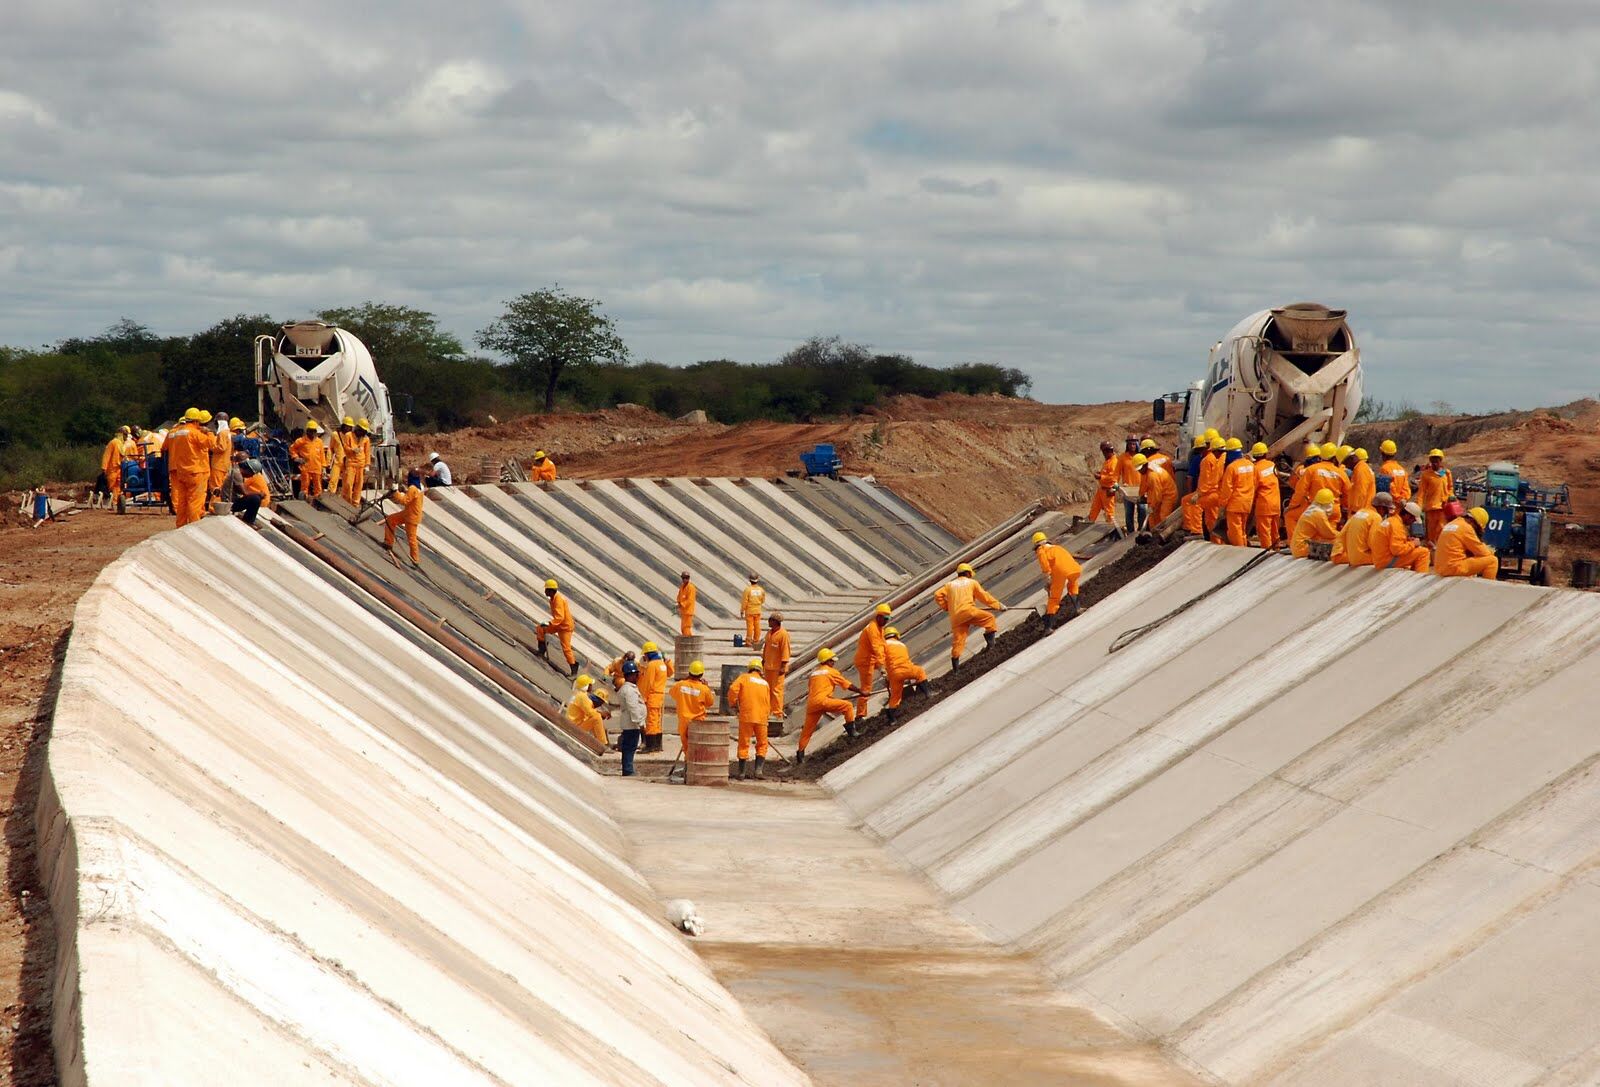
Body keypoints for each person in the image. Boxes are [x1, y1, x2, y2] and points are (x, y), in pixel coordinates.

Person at [933, 562, 1002, 670]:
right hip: (968, 611)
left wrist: (947, 607)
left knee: (958, 641)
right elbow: (984, 596)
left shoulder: (949, 585)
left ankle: (956, 668)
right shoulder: (971, 582)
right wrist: (998, 605)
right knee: (990, 618)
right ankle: (991, 646)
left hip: (956, 617)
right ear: (968, 573)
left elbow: (937, 595)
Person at [798, 648, 858, 764]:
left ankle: (800, 755)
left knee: (807, 731)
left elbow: (815, 690)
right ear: (827, 661)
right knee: (848, 706)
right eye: (832, 661)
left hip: (812, 704)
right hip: (823, 701)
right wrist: (861, 691)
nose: (834, 663)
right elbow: (847, 685)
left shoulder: (814, 673)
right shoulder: (831, 672)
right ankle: (852, 732)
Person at [163, 408, 215, 527]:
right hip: (196, 471)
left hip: (182, 471)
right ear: (197, 421)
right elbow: (212, 444)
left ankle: (180, 525)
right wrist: (209, 432)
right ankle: (194, 526)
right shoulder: (195, 433)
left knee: (182, 502)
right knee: (195, 502)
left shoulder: (176, 432)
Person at [726, 658, 773, 779]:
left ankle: (741, 773)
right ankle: (758, 771)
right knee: (762, 743)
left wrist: (733, 703)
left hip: (746, 716)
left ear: (750, 669)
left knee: (744, 743)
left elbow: (732, 689)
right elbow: (768, 702)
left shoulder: (744, 678)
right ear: (760, 671)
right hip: (762, 717)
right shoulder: (765, 683)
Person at [667, 660, 716, 759]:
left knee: (687, 747)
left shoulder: (680, 685)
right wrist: (706, 686)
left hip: (683, 722)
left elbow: (672, 693)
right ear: (701, 674)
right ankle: (694, 767)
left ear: (689, 673)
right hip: (698, 722)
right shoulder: (704, 689)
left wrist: (685, 681)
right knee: (697, 747)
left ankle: (688, 767)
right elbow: (710, 703)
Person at [1032, 531, 1081, 626]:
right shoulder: (1057, 547)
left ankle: (1048, 627)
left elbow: (1045, 565)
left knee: (1054, 597)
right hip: (1074, 568)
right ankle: (1078, 608)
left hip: (1060, 571)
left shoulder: (1041, 550)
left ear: (1036, 544)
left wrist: (1048, 579)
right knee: (1073, 584)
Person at [1215, 440, 1258, 547]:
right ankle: (1244, 549)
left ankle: (1240, 552)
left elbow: (1227, 490)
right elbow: (1255, 482)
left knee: (1235, 531)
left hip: (1234, 505)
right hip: (1247, 503)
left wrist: (1222, 506)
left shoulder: (1232, 468)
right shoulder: (1251, 465)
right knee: (1242, 530)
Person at [1437, 506, 1498, 579]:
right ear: (1476, 523)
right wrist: (1491, 550)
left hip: (1440, 568)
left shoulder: (1453, 523)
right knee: (1492, 560)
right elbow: (1483, 552)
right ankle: (1487, 588)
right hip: (1453, 568)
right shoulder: (1467, 528)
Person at [1372, 501, 1432, 573]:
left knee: (1416, 552)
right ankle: (1420, 580)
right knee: (1423, 552)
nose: (1412, 522)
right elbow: (1397, 550)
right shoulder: (1397, 526)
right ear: (1407, 515)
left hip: (1380, 559)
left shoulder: (1392, 520)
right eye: (1413, 519)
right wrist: (1413, 544)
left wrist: (1407, 541)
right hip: (1386, 561)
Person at [853, 603, 891, 717]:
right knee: (866, 688)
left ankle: (894, 694)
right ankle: (860, 715)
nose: (886, 621)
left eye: (887, 619)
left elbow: (883, 646)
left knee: (890, 669)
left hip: (872, 658)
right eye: (885, 619)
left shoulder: (880, 628)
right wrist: (882, 667)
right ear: (878, 616)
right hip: (865, 661)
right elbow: (876, 648)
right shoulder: (872, 629)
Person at [535, 578, 579, 676]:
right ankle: (541, 651)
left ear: (551, 590)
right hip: (558, 625)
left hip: (565, 627)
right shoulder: (554, 598)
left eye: (546, 589)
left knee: (566, 648)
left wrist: (550, 623)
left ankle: (574, 667)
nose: (545, 591)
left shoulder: (558, 600)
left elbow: (560, 617)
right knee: (540, 628)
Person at [881, 627, 926, 721]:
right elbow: (906, 661)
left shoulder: (883, 647)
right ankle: (928, 693)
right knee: (920, 672)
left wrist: (887, 678)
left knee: (895, 696)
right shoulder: (901, 645)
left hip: (894, 674)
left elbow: (883, 664)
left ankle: (892, 719)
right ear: (896, 635)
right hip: (906, 669)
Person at [1333, 491, 1385, 566]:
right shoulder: (1376, 517)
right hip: (1361, 558)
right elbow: (1372, 542)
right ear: (1381, 508)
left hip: (1345, 556)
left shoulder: (1359, 512)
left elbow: (1343, 533)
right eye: (1386, 510)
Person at [639, 641, 673, 752]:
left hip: (653, 696)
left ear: (648, 654)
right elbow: (670, 673)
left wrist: (643, 697)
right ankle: (658, 745)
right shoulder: (661, 664)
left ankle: (650, 746)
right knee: (658, 721)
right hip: (660, 695)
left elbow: (648, 683)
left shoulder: (652, 665)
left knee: (651, 721)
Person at [382, 480, 426, 565]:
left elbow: (404, 501)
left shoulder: (413, 489)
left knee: (411, 538)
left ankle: (415, 559)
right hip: (408, 513)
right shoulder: (418, 487)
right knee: (390, 520)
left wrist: (396, 492)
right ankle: (388, 542)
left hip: (411, 517)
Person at [1249, 443, 1283, 552]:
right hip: (1276, 503)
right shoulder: (1271, 465)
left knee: (1264, 531)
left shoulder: (1255, 469)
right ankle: (1276, 549)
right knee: (1274, 530)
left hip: (1264, 504)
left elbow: (1253, 487)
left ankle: (1267, 551)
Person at [615, 661, 646, 776]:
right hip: (632, 723)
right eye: (636, 674)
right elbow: (633, 707)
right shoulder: (629, 690)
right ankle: (628, 770)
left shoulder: (628, 688)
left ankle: (628, 769)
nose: (637, 676)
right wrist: (640, 722)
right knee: (630, 747)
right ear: (631, 675)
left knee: (629, 746)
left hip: (630, 722)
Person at [1417, 449, 1454, 544]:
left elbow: (1450, 487)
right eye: (1432, 461)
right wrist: (1418, 508)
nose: (1434, 464)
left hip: (1443, 508)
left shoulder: (1446, 473)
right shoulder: (1426, 475)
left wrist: (1450, 496)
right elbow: (1421, 492)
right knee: (1431, 535)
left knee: (1442, 531)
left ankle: (1440, 552)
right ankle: (1431, 555)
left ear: (1440, 461)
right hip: (1431, 509)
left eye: (1436, 461)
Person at [1290, 488, 1339, 558]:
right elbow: (1329, 534)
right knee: (1337, 541)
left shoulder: (1312, 509)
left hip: (1298, 547)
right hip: (1303, 548)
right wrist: (1344, 535)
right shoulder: (1318, 514)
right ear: (1328, 503)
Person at [761, 613, 791, 722]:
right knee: (767, 690)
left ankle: (777, 712)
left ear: (775, 622)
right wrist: (763, 659)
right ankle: (767, 711)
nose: (769, 622)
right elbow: (766, 648)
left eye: (770, 620)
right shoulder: (769, 633)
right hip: (768, 666)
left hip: (777, 668)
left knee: (776, 690)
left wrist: (783, 666)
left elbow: (785, 650)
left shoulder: (783, 634)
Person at [567, 675, 610, 748]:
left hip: (573, 724)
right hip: (575, 727)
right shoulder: (582, 697)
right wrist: (601, 714)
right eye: (590, 685)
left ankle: (599, 741)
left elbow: (588, 710)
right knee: (596, 717)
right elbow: (591, 713)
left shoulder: (579, 695)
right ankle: (603, 744)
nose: (591, 687)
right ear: (586, 686)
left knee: (596, 717)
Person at [1197, 436, 1227, 536]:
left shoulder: (1210, 460)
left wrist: (1199, 493)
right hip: (1225, 494)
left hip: (1216, 493)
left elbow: (1210, 480)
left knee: (1193, 504)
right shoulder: (1224, 459)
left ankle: (1196, 531)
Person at [1136, 453, 1176, 528]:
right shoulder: (1146, 471)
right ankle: (1154, 534)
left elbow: (1157, 495)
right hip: (1159, 493)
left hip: (1168, 494)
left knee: (1163, 517)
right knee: (1152, 517)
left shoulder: (1152, 476)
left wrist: (1152, 507)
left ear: (1145, 465)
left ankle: (1165, 536)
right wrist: (1141, 495)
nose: (1139, 471)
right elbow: (1144, 486)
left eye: (1140, 469)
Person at [290, 420, 327, 499]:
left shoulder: (319, 442)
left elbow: (322, 455)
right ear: (307, 431)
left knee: (318, 486)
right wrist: (296, 458)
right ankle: (304, 500)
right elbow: (292, 449)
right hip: (306, 467)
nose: (313, 433)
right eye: (311, 430)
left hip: (317, 467)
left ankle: (318, 500)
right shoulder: (301, 441)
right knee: (305, 486)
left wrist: (323, 467)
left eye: (314, 431)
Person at [233, 459, 272, 526]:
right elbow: (245, 492)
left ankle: (248, 521)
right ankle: (248, 521)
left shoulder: (238, 473)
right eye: (252, 474)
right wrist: (259, 493)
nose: (251, 476)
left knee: (255, 498)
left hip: (233, 500)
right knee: (255, 499)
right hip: (229, 504)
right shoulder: (237, 474)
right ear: (248, 470)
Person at [1087, 441, 1118, 523]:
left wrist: (1101, 477)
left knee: (1109, 513)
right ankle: (1089, 522)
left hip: (1108, 490)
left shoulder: (1114, 462)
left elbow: (1113, 477)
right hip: (1101, 490)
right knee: (1094, 508)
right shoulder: (1108, 461)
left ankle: (1110, 528)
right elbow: (1107, 473)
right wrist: (1101, 474)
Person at [99, 427, 130, 508]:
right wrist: (104, 467)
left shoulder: (121, 444)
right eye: (125, 435)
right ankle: (109, 501)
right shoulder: (113, 443)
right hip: (112, 468)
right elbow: (107, 455)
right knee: (111, 486)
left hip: (120, 468)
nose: (126, 437)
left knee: (118, 486)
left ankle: (115, 502)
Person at [343, 418, 372, 503]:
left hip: (361, 465)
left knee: (359, 485)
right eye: (362, 430)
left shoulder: (366, 439)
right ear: (358, 428)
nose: (363, 433)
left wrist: (367, 465)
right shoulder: (348, 435)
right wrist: (352, 450)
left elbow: (367, 452)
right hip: (351, 463)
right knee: (348, 484)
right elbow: (345, 448)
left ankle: (356, 503)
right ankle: (347, 502)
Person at [1117, 435, 1141, 533]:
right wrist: (1116, 485)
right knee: (1129, 512)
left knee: (1142, 510)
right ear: (1127, 444)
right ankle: (1131, 532)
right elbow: (1117, 472)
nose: (1132, 446)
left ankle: (1141, 531)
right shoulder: (1122, 457)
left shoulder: (1141, 456)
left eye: (1134, 443)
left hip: (1141, 488)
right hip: (1128, 490)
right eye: (1130, 443)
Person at [329, 417, 354, 496]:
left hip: (348, 463)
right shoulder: (335, 434)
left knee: (347, 483)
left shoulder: (351, 436)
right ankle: (330, 497)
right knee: (333, 480)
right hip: (338, 462)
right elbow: (331, 448)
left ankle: (345, 499)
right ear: (343, 425)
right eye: (347, 426)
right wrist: (327, 461)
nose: (349, 428)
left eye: (350, 427)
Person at [1347, 448, 1376, 513]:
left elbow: (1361, 491)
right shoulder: (1364, 468)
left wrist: (1356, 509)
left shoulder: (1361, 469)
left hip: (1362, 510)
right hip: (1365, 508)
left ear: (1354, 458)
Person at [740, 573, 765, 646]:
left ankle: (749, 642)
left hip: (750, 611)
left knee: (750, 627)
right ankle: (756, 640)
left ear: (750, 580)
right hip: (758, 610)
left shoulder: (747, 590)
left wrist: (742, 610)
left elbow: (744, 601)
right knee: (757, 626)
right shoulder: (761, 590)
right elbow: (763, 600)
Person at [676, 570, 696, 636]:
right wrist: (678, 602)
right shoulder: (682, 587)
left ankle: (689, 641)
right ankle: (688, 641)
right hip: (683, 611)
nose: (685, 579)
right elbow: (679, 596)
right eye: (683, 578)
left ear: (689, 578)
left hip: (688, 611)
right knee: (683, 628)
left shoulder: (691, 587)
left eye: (686, 578)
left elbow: (690, 600)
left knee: (686, 627)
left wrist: (682, 604)